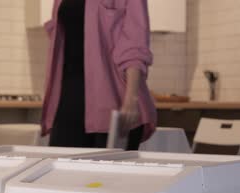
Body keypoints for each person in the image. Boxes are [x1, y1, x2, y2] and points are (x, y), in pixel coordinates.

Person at [41, 0, 157, 150]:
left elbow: (135, 44)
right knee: (62, 169)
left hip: (114, 101)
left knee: (108, 173)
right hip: (68, 102)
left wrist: (131, 98)